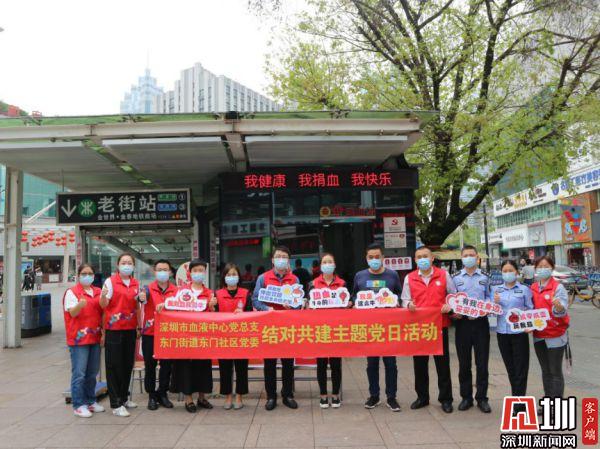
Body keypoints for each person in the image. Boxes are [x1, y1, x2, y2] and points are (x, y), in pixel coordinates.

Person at [402, 246, 456, 414]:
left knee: (443, 365)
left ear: (432, 258)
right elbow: (404, 299)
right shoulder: (409, 278)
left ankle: (446, 399)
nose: (422, 259)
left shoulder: (444, 275)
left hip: (440, 326)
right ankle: (422, 397)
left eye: (425, 256)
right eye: (419, 257)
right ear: (415, 260)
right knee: (420, 365)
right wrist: (408, 304)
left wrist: (449, 305)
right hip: (419, 328)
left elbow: (453, 296)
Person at [352, 243, 402, 412]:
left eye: (377, 257)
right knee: (371, 363)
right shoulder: (360, 276)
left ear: (383, 258)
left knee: (391, 364)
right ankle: (374, 395)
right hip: (369, 328)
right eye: (371, 257)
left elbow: (400, 295)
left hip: (388, 327)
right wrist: (353, 303)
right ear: (366, 258)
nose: (374, 260)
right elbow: (354, 296)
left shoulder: (392, 275)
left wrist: (397, 302)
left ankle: (391, 397)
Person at [252, 245, 300, 411]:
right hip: (269, 327)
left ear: (288, 261)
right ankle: (271, 396)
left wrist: (292, 306)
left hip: (287, 327)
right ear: (272, 260)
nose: (281, 259)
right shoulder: (263, 278)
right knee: (270, 363)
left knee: (288, 363)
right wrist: (268, 309)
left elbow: (299, 302)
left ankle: (287, 395)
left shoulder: (294, 280)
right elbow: (255, 300)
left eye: (284, 257)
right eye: (278, 256)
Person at [169, 258, 216, 413]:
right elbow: (173, 309)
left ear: (205, 272)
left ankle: (202, 397)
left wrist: (212, 307)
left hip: (203, 336)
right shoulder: (181, 291)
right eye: (195, 270)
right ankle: (188, 399)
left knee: (203, 367)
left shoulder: (209, 293)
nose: (198, 273)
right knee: (186, 368)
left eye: (201, 270)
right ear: (189, 273)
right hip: (186, 336)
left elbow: (214, 317)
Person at [452, 245, 492, 413]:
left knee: (482, 363)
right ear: (461, 258)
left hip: (481, 323)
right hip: (462, 324)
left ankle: (482, 398)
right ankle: (466, 397)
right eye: (466, 255)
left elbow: (490, 297)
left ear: (477, 258)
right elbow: (451, 298)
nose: (469, 257)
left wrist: (484, 309)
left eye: (472, 255)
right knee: (464, 363)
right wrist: (454, 313)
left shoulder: (485, 277)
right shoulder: (455, 278)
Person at [100, 253, 140, 417]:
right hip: (114, 329)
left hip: (130, 328)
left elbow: (137, 306)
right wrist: (103, 295)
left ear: (133, 266)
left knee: (127, 364)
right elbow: (103, 305)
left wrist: (138, 326)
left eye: (129, 263)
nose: (126, 265)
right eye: (124, 262)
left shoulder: (135, 283)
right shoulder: (110, 282)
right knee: (114, 366)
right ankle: (115, 403)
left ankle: (124, 398)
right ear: (118, 265)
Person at [63, 264, 105, 418]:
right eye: (84, 273)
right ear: (79, 275)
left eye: (90, 273)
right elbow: (72, 313)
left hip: (94, 336)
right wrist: (80, 305)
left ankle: (90, 400)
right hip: (78, 339)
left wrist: (103, 333)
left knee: (92, 372)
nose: (87, 276)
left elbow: (103, 312)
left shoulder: (98, 292)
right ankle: (79, 404)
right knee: (79, 373)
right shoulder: (72, 292)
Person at [493, 260, 533, 414]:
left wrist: (530, 325)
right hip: (502, 333)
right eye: (505, 271)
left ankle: (519, 404)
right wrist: (495, 303)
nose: (508, 273)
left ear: (516, 272)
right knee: (511, 369)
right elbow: (491, 311)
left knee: (521, 369)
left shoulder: (524, 289)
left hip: (519, 334)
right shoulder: (496, 290)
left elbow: (530, 309)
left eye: (510, 270)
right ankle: (516, 399)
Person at [138, 260, 177, 411]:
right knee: (150, 365)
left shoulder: (176, 290)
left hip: (168, 333)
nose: (162, 272)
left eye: (165, 269)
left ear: (170, 272)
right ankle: (151, 395)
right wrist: (141, 297)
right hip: (150, 333)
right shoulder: (147, 289)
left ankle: (163, 393)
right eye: (159, 269)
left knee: (167, 366)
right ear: (154, 272)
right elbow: (141, 298)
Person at [310, 253, 347, 409]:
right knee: (321, 364)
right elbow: (308, 304)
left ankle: (336, 394)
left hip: (337, 329)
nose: (327, 264)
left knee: (336, 364)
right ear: (321, 266)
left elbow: (347, 302)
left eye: (330, 261)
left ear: (334, 264)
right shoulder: (313, 284)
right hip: (320, 329)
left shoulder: (342, 283)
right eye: (324, 262)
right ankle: (323, 395)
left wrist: (349, 303)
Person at [531, 255, 570, 404]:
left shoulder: (557, 287)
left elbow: (562, 310)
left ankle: (557, 404)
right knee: (545, 370)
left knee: (555, 371)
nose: (542, 269)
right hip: (539, 335)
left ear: (552, 268)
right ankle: (548, 401)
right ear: (535, 269)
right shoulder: (533, 287)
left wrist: (558, 307)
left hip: (555, 335)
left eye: (546, 266)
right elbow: (529, 311)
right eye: (539, 267)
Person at [215, 263, 251, 410]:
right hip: (224, 337)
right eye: (228, 275)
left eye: (234, 274)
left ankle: (239, 396)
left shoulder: (246, 293)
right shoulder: (217, 294)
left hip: (241, 336)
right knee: (225, 368)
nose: (231, 277)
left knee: (241, 368)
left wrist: (244, 313)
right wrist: (211, 306)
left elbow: (251, 313)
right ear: (224, 277)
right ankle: (228, 396)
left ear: (238, 276)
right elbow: (212, 316)